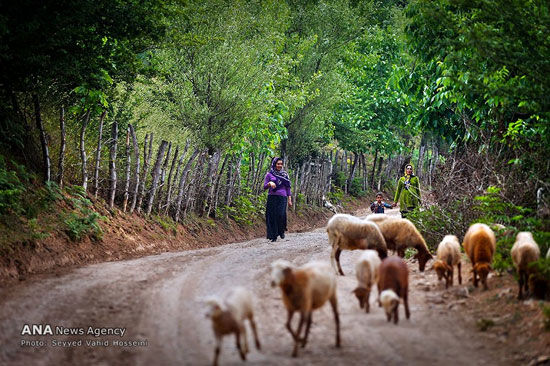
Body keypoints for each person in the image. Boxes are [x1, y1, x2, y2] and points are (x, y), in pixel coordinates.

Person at [264, 157, 292, 242]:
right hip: (272, 197)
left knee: (281, 214)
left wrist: (289, 199)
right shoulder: (269, 174)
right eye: (278, 164)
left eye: (281, 164)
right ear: (274, 164)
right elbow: (264, 186)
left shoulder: (285, 174)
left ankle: (281, 231)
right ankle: (274, 235)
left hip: (282, 197)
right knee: (272, 216)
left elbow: (288, 188)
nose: (279, 165)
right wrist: (269, 183)